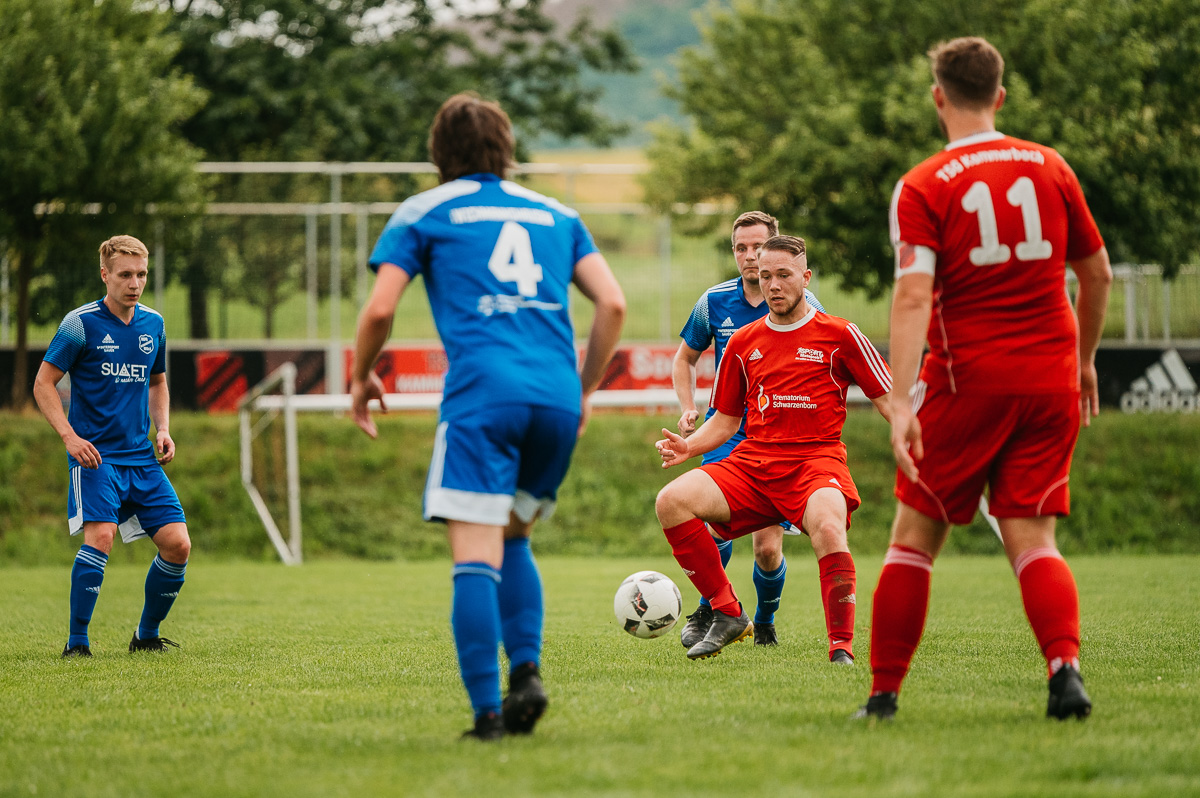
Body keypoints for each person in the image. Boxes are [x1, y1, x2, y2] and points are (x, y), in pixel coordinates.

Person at [350, 92, 626, 741]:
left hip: (483, 396)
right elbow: (612, 304)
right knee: (514, 535)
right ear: (506, 147)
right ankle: (525, 672)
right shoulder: (558, 213)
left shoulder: (423, 210)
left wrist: (361, 377)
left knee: (475, 554)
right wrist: (584, 389)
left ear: (438, 151)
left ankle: (487, 716)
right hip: (555, 396)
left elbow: (380, 310)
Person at [856, 37, 1112, 721]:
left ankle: (883, 696)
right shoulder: (1051, 166)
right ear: (1000, 95)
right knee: (1034, 538)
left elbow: (914, 295)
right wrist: (1085, 360)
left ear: (938, 96)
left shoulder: (924, 183)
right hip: (1050, 380)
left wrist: (901, 401)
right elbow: (1097, 274)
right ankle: (1064, 672)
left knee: (914, 538)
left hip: (966, 381)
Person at [655, 235, 892, 662]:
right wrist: (688, 447)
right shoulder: (743, 342)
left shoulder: (840, 334)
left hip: (815, 463)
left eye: (784, 275)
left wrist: (924, 445)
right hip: (753, 463)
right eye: (766, 276)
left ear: (806, 277)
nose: (773, 285)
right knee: (671, 501)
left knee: (828, 529)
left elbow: (892, 403)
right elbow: (725, 422)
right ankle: (728, 613)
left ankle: (841, 648)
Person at [672, 211, 825, 649]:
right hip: (727, 430)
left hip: (777, 436)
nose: (750, 256)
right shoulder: (714, 302)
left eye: (758, 246)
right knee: (709, 522)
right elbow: (684, 359)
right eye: (741, 248)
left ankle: (765, 622)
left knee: (767, 549)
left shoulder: (805, 305)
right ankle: (714, 608)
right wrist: (689, 408)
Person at [33, 235, 192, 658]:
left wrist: (163, 429)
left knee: (178, 544)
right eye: (125, 275)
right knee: (101, 536)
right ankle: (77, 644)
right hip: (96, 457)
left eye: (141, 274)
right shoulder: (79, 324)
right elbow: (43, 383)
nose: (134, 283)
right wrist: (69, 437)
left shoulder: (154, 324)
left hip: (141, 458)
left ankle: (146, 636)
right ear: (105, 275)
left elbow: (157, 382)